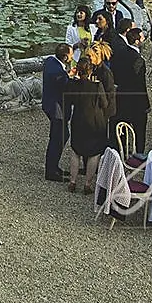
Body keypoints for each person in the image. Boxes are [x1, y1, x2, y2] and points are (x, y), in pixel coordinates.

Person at [64, 42, 116, 192]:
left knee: (76, 150)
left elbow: (69, 98)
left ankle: (73, 181)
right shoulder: (96, 84)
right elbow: (105, 102)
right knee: (94, 152)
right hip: (95, 118)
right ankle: (87, 183)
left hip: (80, 118)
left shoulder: (76, 83)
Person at [111, 25, 150, 152]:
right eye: (142, 38)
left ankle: (120, 151)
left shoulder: (119, 53)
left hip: (121, 95)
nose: (144, 40)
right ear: (137, 41)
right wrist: (146, 103)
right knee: (140, 130)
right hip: (136, 100)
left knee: (121, 127)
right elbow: (140, 84)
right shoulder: (138, 60)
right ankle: (139, 153)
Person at [41, 43, 71, 182]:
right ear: (65, 57)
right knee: (58, 137)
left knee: (60, 135)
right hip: (56, 108)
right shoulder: (59, 74)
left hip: (48, 103)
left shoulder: (50, 61)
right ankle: (51, 170)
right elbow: (66, 86)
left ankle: (53, 166)